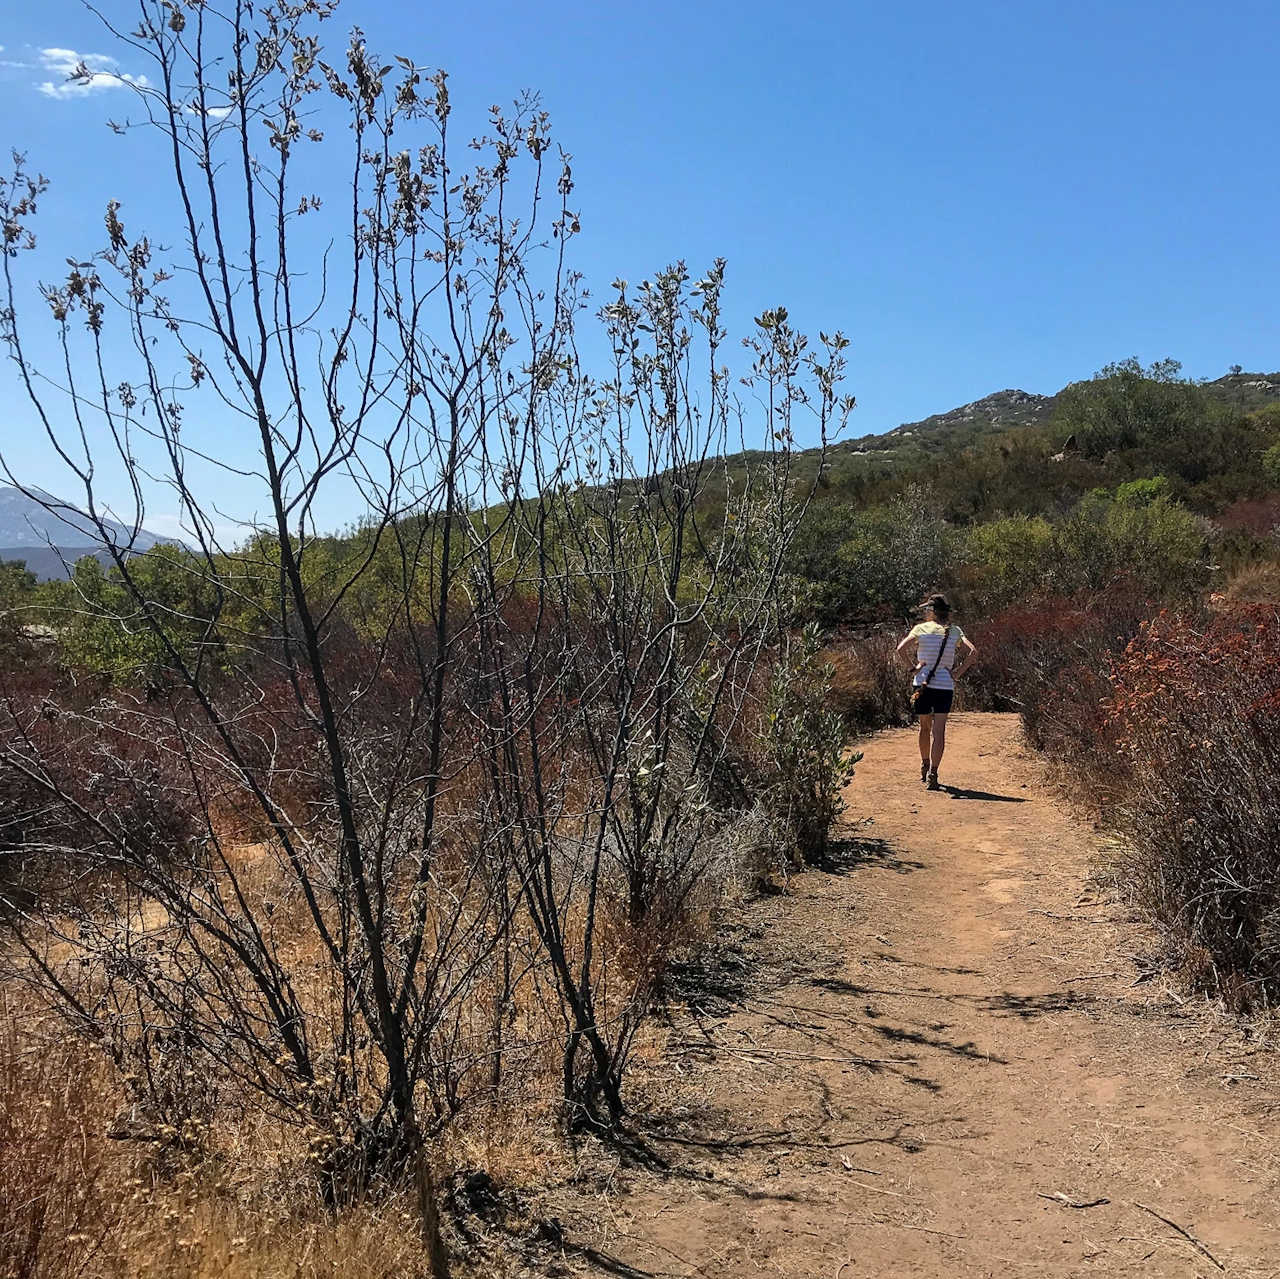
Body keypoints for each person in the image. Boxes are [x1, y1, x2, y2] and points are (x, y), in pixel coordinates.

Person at [895, 593, 977, 791]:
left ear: (931, 611)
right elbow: (974, 652)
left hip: (922, 684)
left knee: (924, 728)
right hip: (944, 686)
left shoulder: (921, 629)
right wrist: (956, 673)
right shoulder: (955, 631)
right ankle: (934, 771)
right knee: (939, 731)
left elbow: (900, 649)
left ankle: (924, 764)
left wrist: (913, 668)